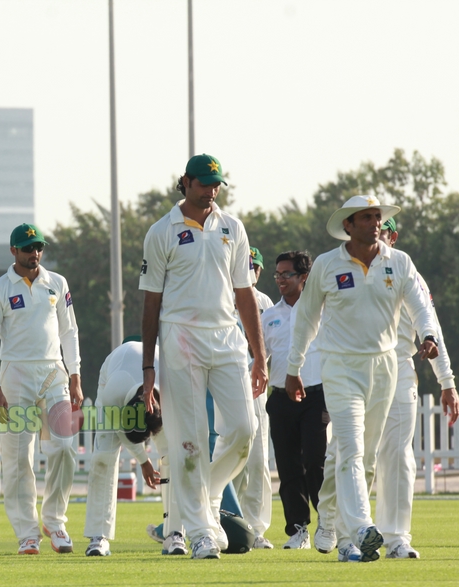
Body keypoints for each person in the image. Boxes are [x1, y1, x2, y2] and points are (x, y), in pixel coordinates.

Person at [286, 195, 439, 563]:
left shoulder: (398, 261)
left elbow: (420, 307)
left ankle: (344, 541)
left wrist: (429, 335)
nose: (375, 223)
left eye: (377, 216)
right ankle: (362, 528)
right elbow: (306, 318)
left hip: (385, 367)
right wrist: (293, 370)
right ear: (348, 226)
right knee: (351, 449)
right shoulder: (326, 265)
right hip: (341, 368)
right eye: (366, 218)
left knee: (367, 457)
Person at [140, 154, 266, 560]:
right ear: (185, 182)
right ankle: (200, 534)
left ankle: (206, 502)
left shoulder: (232, 227)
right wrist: (147, 368)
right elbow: (150, 304)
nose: (211, 191)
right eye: (204, 184)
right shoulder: (162, 231)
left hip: (228, 339)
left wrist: (259, 355)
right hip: (180, 338)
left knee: (245, 431)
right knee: (190, 441)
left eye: (216, 185)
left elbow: (244, 293)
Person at [314, 217, 458, 559]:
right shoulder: (340, 267)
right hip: (350, 367)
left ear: (393, 235)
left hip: (397, 367)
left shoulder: (407, 272)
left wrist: (447, 382)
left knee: (396, 453)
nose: (381, 237)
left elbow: (430, 327)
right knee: (347, 451)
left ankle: (395, 538)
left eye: (387, 231)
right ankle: (337, 525)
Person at [0, 223, 82, 555]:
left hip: (54, 372)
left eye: (38, 247)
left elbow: (69, 331)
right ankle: (27, 532)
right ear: (13, 251)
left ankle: (54, 520)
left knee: (65, 448)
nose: (34, 253)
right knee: (18, 458)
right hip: (15, 375)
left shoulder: (57, 283)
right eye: (27, 248)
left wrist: (75, 374)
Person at [261, 250, 328, 550]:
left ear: (304, 277)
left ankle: (328, 521)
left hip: (316, 396)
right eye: (277, 274)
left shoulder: (321, 309)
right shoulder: (269, 315)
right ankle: (298, 529)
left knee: (315, 461)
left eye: (286, 274)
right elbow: (259, 356)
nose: (280, 280)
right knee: (288, 467)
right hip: (280, 399)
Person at [83, 339, 165, 557]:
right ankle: (98, 537)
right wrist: (144, 461)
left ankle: (175, 530)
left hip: (156, 373)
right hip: (112, 370)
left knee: (171, 455)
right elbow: (122, 430)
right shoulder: (114, 394)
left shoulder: (171, 381)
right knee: (103, 457)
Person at [232, 246, 275, 549]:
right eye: (246, 266)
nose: (251, 272)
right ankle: (228, 521)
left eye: (255, 268)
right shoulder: (222, 296)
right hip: (225, 384)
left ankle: (257, 528)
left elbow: (268, 344)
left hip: (255, 386)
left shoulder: (265, 303)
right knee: (229, 456)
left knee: (258, 459)